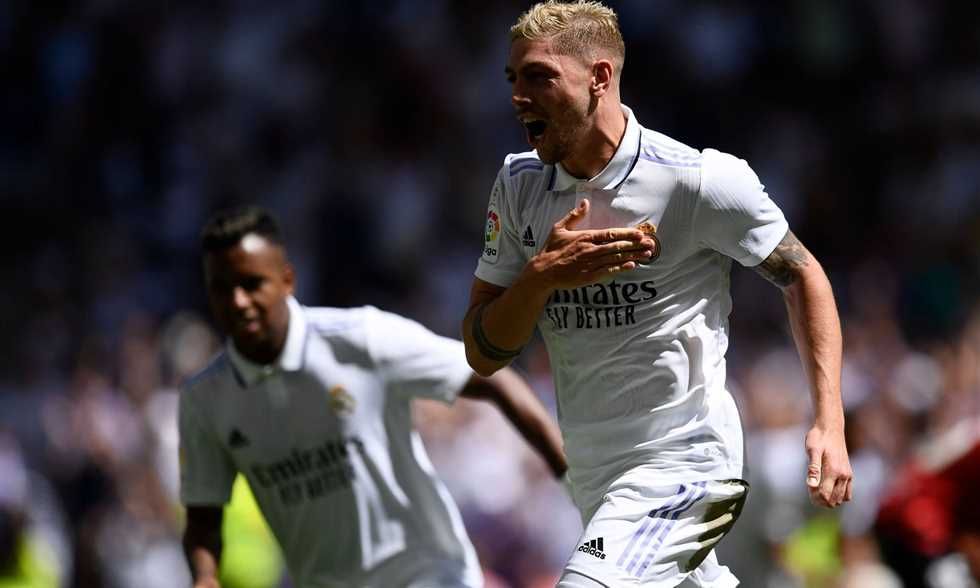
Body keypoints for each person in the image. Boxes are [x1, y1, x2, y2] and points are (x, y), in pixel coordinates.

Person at [462, 2, 853, 586]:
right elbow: (482, 351)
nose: (519, 95)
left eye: (539, 77)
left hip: (687, 464)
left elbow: (801, 273)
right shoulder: (518, 187)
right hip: (596, 476)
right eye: (513, 78)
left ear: (599, 77)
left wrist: (829, 420)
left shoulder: (695, 180)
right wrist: (541, 277)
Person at [179, 205, 567, 588]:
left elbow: (493, 380)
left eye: (251, 284)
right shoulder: (204, 401)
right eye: (221, 289)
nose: (238, 301)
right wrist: (205, 576)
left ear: (287, 280)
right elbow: (202, 517)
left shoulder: (360, 339)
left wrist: (571, 474)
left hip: (428, 576)